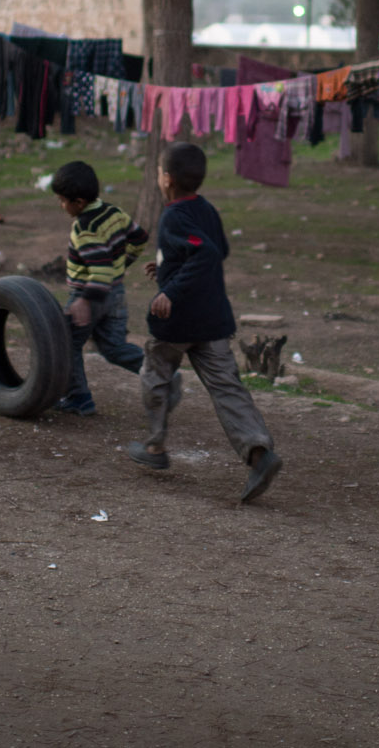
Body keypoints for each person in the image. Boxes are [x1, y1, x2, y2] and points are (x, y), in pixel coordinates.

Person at [128, 141, 282, 502]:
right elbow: (217, 249)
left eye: (157, 172)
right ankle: (259, 453)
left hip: (178, 320)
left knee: (155, 373)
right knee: (227, 386)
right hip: (212, 319)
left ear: (166, 179)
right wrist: (167, 267)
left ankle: (154, 447)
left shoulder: (173, 215)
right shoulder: (206, 209)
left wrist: (170, 291)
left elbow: (206, 252)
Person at [49, 160, 156, 416]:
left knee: (67, 343)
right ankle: (160, 373)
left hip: (91, 295)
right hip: (116, 294)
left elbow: (100, 271)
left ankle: (79, 398)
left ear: (79, 202)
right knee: (114, 347)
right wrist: (123, 262)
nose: (60, 205)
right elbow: (140, 238)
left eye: (62, 200)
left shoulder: (85, 229)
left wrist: (84, 300)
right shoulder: (113, 211)